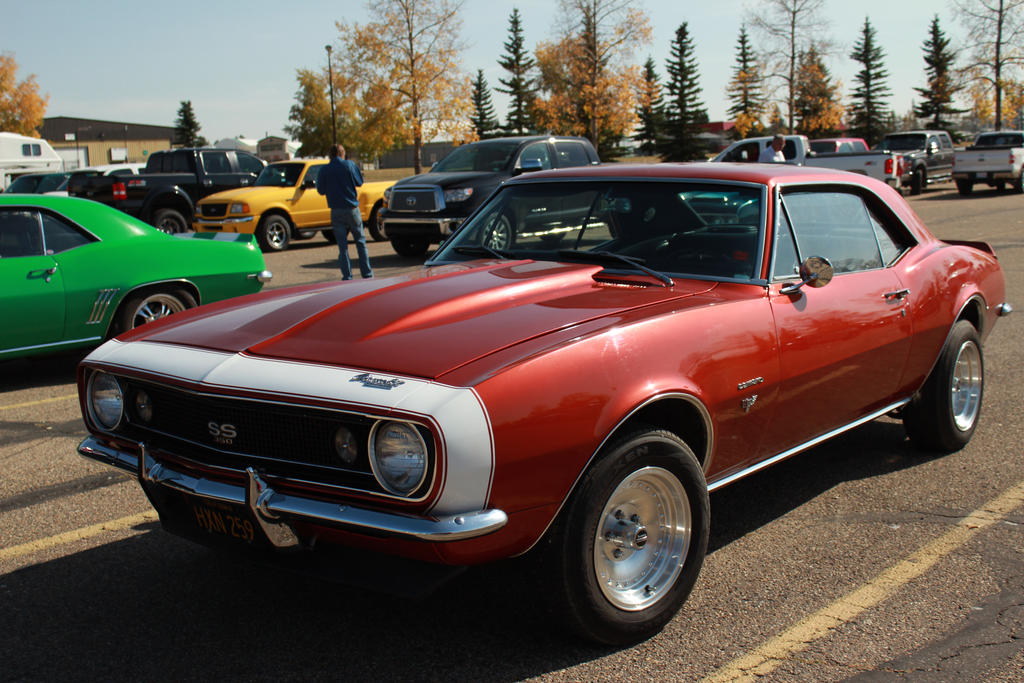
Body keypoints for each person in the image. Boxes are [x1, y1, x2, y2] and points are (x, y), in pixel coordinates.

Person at [316, 144, 373, 280]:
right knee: (360, 241)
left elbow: (321, 190)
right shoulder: (349, 165)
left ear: (330, 155)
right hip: (352, 208)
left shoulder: (325, 169)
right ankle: (367, 273)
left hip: (336, 210)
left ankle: (347, 275)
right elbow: (359, 182)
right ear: (343, 153)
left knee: (342, 246)